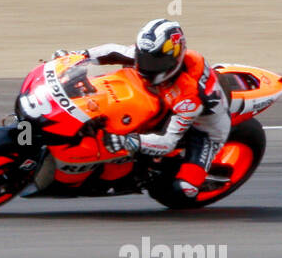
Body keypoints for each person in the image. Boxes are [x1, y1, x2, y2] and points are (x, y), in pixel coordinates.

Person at [56, 19, 231, 198]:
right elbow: (112, 51)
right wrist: (76, 57)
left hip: (204, 130)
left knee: (184, 190)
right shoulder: (149, 53)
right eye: (144, 58)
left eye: (155, 62)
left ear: (175, 58)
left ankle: (198, 176)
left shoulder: (190, 93)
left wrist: (130, 141)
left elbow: (168, 140)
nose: (147, 66)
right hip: (166, 105)